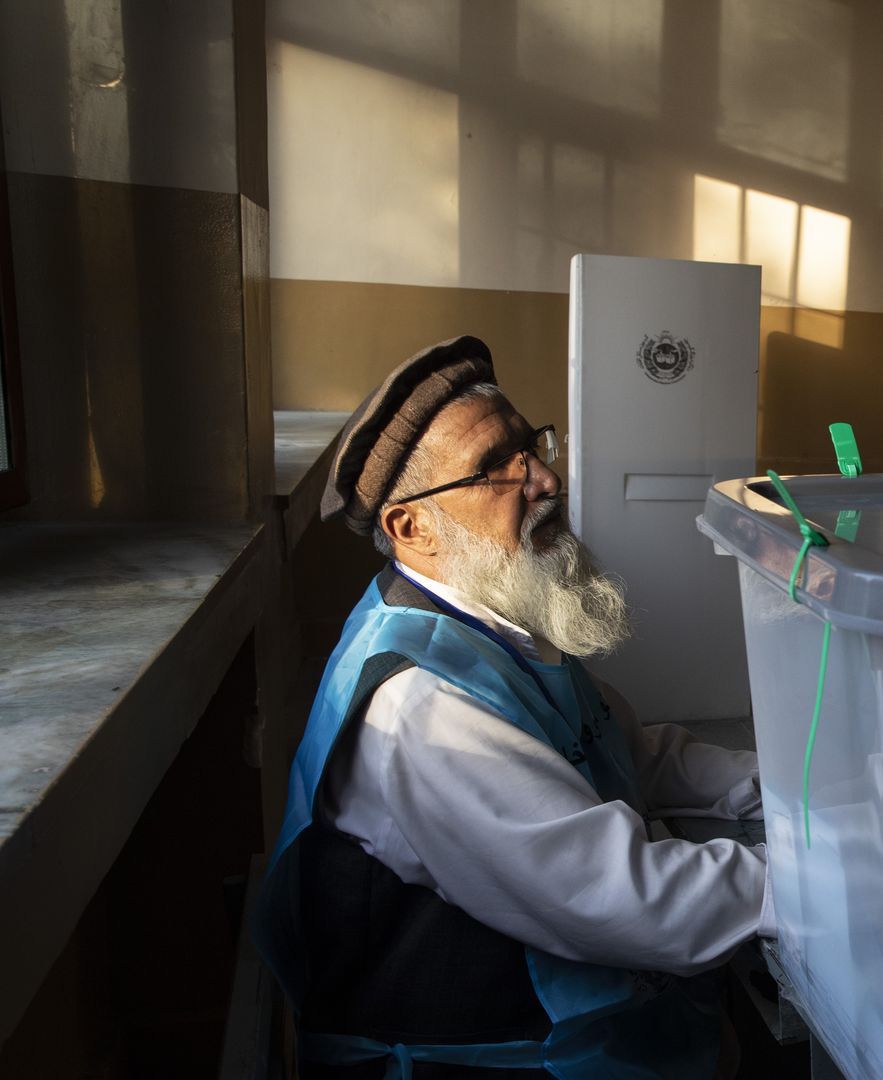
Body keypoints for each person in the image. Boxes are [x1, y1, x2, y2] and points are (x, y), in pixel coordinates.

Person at [254, 338, 772, 1078]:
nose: (545, 478)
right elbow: (618, 897)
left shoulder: (487, 619)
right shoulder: (420, 709)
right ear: (413, 528)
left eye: (531, 446)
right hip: (483, 1062)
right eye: (496, 466)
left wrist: (787, 789)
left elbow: (626, 746)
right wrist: (820, 879)